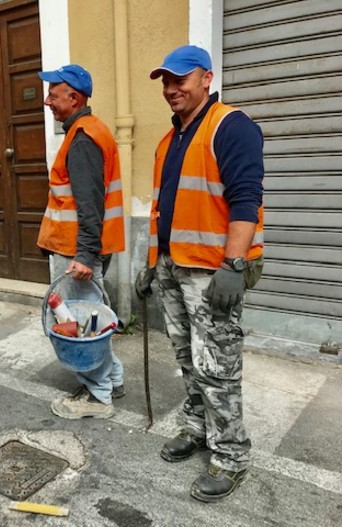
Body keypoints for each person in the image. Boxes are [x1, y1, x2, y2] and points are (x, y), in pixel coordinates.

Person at [136, 45, 264, 502]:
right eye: (165, 82)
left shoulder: (230, 126)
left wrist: (234, 264)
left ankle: (231, 456)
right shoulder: (169, 141)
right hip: (173, 266)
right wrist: (151, 264)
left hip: (212, 273)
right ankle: (198, 429)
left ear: (206, 78)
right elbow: (162, 209)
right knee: (188, 359)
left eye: (180, 79)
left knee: (218, 367)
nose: (171, 89)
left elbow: (246, 198)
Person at [37, 64, 126, 420]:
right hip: (83, 250)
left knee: (81, 329)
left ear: (74, 98)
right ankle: (111, 379)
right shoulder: (88, 131)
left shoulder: (83, 139)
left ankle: (99, 396)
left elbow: (90, 205)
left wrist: (86, 255)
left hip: (80, 254)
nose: (47, 101)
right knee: (93, 320)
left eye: (54, 95)